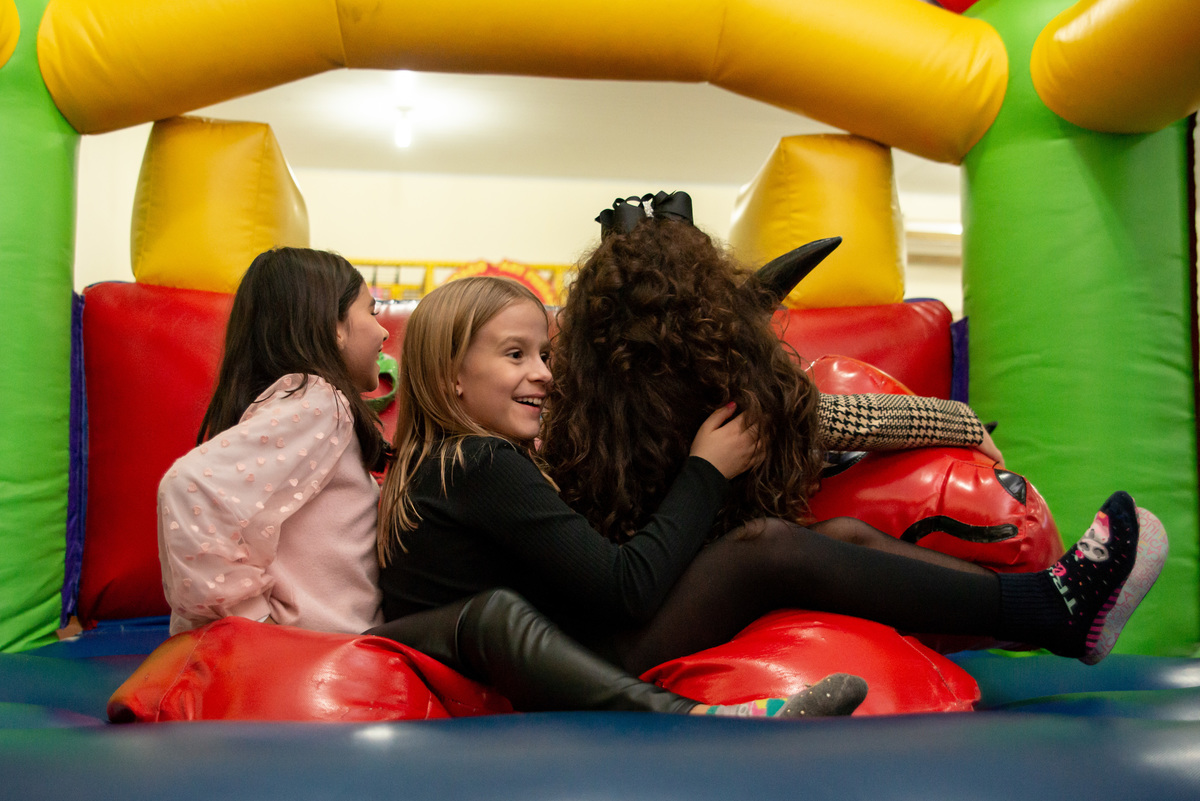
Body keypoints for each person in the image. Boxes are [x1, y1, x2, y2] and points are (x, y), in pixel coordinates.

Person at [156, 246, 858, 719]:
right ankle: (695, 719)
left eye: (543, 355)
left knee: (821, 538)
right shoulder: (319, 401)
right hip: (345, 651)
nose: (382, 330)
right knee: (762, 547)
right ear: (329, 327)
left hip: (365, 645)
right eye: (370, 309)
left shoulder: (355, 433)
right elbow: (190, 491)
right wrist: (251, 630)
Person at [375, 269, 1167, 682]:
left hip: (568, 645)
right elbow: (624, 589)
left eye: (546, 354)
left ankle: (1036, 613)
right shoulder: (477, 463)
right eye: (516, 355)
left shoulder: (454, 462)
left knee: (840, 531)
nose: (545, 374)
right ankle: (1052, 608)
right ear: (448, 377)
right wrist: (704, 469)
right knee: (766, 545)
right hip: (583, 667)